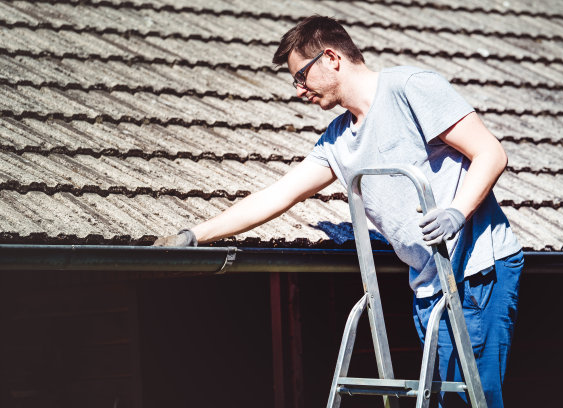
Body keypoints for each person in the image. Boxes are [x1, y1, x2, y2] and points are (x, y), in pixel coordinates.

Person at [154, 15, 523, 408]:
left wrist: (456, 211)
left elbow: (490, 152)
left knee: (473, 400)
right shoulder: (338, 139)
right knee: (446, 400)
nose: (299, 91)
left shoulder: (410, 88)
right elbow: (279, 195)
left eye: (301, 77)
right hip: (430, 283)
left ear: (330, 57)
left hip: (476, 271)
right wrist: (196, 235)